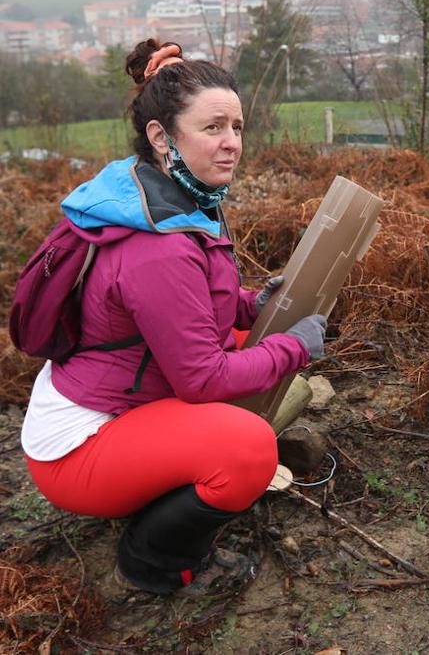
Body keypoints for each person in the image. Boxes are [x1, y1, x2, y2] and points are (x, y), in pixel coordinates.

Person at [20, 39, 327, 594]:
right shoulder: (157, 243)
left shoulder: (158, 195)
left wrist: (248, 304)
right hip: (78, 448)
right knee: (248, 448)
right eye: (213, 128)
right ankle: (151, 559)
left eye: (237, 126)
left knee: (242, 334)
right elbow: (202, 377)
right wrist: (296, 348)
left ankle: (160, 484)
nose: (232, 143)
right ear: (163, 137)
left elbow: (185, 306)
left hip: (119, 398)